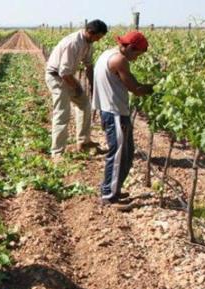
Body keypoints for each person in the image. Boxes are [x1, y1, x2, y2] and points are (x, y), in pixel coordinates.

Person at [92, 31, 154, 206]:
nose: (137, 58)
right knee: (118, 154)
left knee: (126, 154)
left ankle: (114, 190)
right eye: (137, 54)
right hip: (115, 114)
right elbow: (135, 88)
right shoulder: (120, 60)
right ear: (131, 48)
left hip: (112, 112)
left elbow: (130, 80)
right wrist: (156, 89)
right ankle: (109, 195)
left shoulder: (108, 54)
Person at [45, 19, 108, 159]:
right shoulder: (73, 43)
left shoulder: (88, 43)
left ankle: (83, 142)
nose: (98, 40)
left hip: (68, 77)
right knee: (62, 114)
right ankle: (57, 153)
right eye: (98, 37)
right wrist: (76, 87)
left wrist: (93, 86)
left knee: (85, 104)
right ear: (90, 32)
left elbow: (89, 65)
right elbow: (64, 72)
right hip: (57, 78)